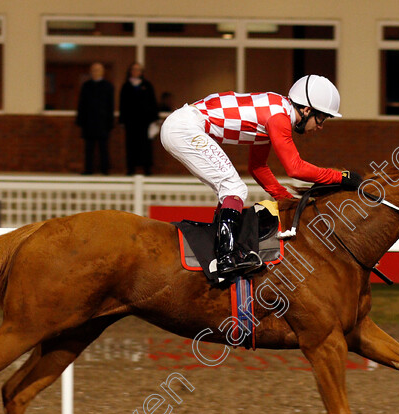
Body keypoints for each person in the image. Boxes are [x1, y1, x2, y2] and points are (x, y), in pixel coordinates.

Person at [160, 74, 362, 278]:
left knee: (230, 187)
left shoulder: (276, 110)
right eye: (321, 118)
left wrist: (285, 199)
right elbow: (295, 168)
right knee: (234, 187)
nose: (320, 126)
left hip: (182, 126)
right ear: (307, 110)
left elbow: (257, 167)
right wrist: (341, 177)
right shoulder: (278, 117)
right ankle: (224, 257)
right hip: (184, 128)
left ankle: (220, 246)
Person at [119, 63, 159, 175]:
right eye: (134, 69)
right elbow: (122, 104)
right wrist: (122, 121)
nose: (136, 71)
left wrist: (154, 119)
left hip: (145, 122)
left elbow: (152, 102)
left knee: (146, 146)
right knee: (131, 145)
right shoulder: (126, 86)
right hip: (131, 122)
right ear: (130, 71)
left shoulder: (147, 85)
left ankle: (147, 169)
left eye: (138, 70)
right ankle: (130, 169)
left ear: (141, 72)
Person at [76, 62, 114, 175]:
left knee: (103, 148)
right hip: (88, 122)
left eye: (98, 70)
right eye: (93, 70)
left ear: (102, 72)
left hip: (102, 122)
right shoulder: (86, 86)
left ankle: (104, 170)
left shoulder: (108, 86)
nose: (95, 72)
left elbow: (110, 105)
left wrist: (109, 122)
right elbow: (81, 104)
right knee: (89, 148)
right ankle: (88, 170)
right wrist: (80, 120)